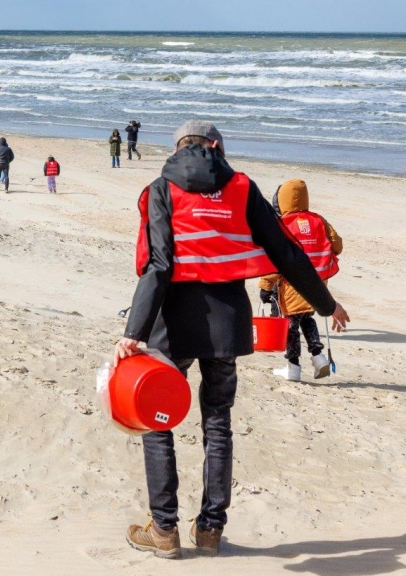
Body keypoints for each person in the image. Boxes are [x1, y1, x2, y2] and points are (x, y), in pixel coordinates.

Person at [116, 120, 350, 559]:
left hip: (173, 323)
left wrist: (135, 333)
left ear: (177, 147)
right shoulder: (241, 187)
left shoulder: (161, 188)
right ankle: (210, 530)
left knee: (157, 417)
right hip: (228, 322)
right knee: (217, 422)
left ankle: (164, 530)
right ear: (217, 146)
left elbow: (160, 265)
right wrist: (324, 302)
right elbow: (286, 253)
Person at [259, 179, 343, 381]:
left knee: (290, 325)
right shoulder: (319, 220)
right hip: (317, 285)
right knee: (307, 318)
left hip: (291, 285)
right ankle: (319, 358)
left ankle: (293, 367)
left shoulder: (283, 224)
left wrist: (265, 285)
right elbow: (337, 246)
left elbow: (275, 258)